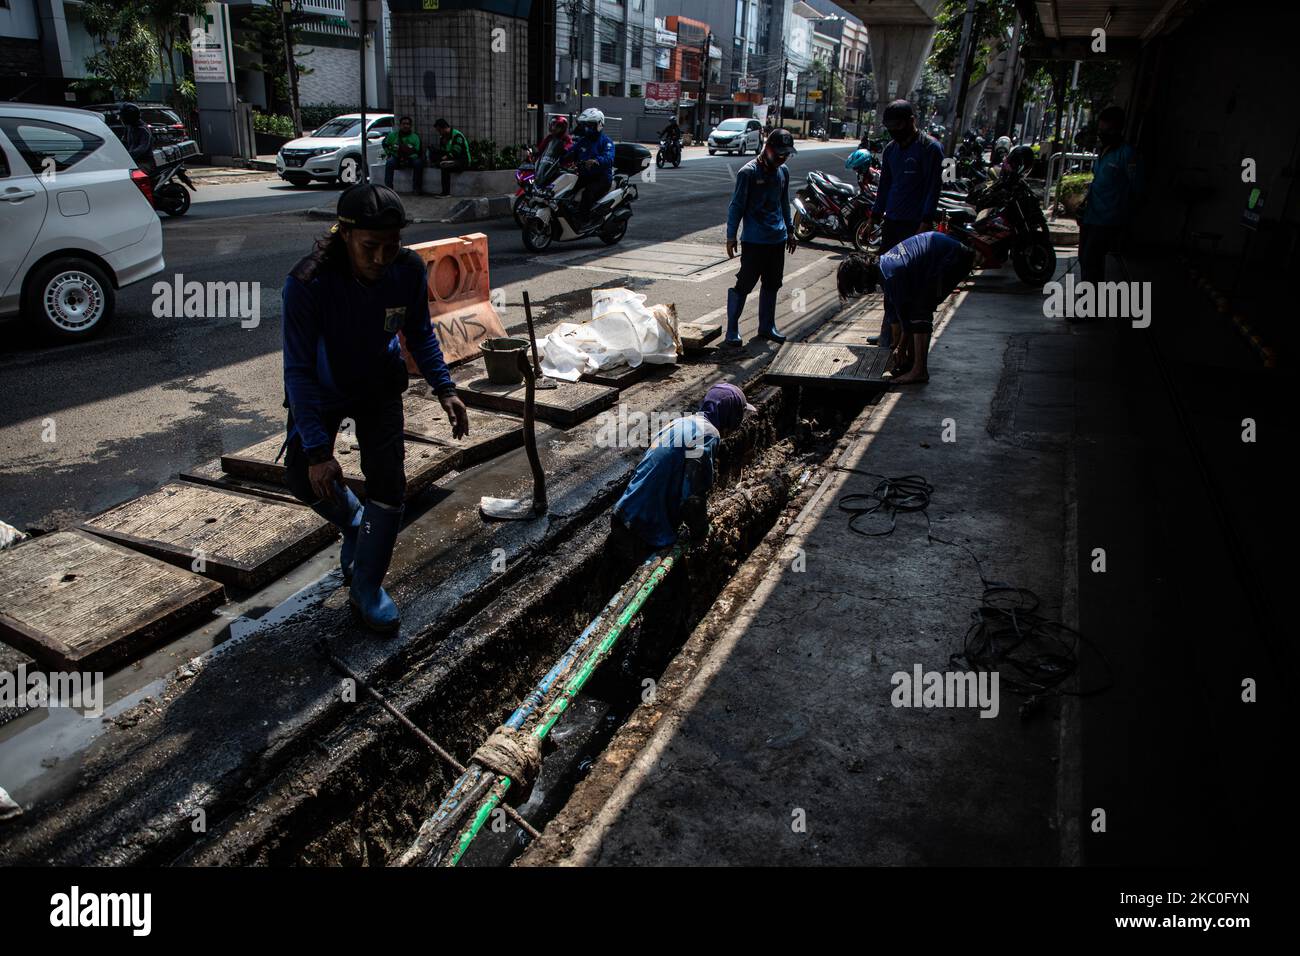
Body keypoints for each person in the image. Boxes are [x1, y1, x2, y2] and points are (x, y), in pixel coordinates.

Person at [281, 184, 470, 633]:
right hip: (323, 391)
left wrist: (445, 388)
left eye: (392, 245)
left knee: (389, 485)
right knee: (300, 479)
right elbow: (298, 370)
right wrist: (318, 454)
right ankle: (354, 522)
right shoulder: (308, 283)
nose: (382, 257)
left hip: (379, 387)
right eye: (370, 246)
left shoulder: (406, 270)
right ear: (344, 234)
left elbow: (419, 333)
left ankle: (367, 586)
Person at [610, 382, 756, 558]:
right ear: (731, 416)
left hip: (624, 513)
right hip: (645, 528)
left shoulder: (680, 422)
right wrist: (702, 532)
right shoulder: (707, 435)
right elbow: (693, 497)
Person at [836, 231, 975, 386]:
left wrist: (901, 348)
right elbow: (894, 318)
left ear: (861, 276)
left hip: (955, 257)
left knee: (920, 311)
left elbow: (906, 324)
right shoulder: (883, 267)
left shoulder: (892, 276)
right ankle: (910, 363)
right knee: (914, 310)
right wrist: (896, 347)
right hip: (943, 252)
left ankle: (919, 371)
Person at [861, 99, 944, 349]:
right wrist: (873, 219)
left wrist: (925, 222)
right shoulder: (890, 150)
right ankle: (889, 332)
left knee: (912, 286)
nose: (895, 132)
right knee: (889, 281)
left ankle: (907, 339)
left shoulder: (930, 149)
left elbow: (933, 188)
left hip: (915, 228)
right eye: (890, 128)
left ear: (911, 122)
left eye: (898, 126)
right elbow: (884, 187)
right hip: (892, 224)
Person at [723, 127, 798, 347]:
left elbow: (784, 202)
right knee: (744, 284)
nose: (782, 158)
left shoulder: (782, 172)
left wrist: (791, 230)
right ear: (767, 148)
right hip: (754, 241)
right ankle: (732, 329)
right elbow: (736, 206)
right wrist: (731, 235)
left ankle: (767, 326)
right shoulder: (748, 173)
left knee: (772, 284)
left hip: (777, 239)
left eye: (786, 155)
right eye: (779, 154)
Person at [1077, 105, 1142, 288]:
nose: (1103, 134)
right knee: (1085, 259)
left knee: (1092, 261)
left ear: (1118, 129)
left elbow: (1136, 188)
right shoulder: (1104, 151)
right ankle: (1087, 306)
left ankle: (1090, 310)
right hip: (1091, 214)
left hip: (1108, 219)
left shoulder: (1127, 155)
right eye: (1101, 130)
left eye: (1108, 130)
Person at [562, 108, 615, 228]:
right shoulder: (583, 141)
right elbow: (571, 153)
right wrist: (559, 156)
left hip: (601, 178)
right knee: (567, 190)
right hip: (584, 175)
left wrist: (596, 161)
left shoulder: (606, 142)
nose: (586, 128)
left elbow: (609, 158)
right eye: (585, 125)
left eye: (590, 125)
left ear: (599, 125)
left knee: (588, 193)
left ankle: (584, 221)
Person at [382, 115, 425, 195]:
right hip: (396, 158)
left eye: (408, 124)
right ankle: (389, 190)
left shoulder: (415, 137)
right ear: (400, 125)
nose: (405, 126)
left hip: (410, 159)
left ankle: (417, 188)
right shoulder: (393, 135)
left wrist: (408, 153)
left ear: (410, 126)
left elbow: (418, 151)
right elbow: (385, 144)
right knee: (389, 163)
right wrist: (389, 153)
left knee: (418, 163)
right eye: (403, 124)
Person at [430, 118, 472, 197]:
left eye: (439, 130)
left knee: (444, 166)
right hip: (452, 160)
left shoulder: (457, 136)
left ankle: (446, 193)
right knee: (435, 154)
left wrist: (443, 159)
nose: (439, 133)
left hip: (462, 161)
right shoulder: (443, 137)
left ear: (444, 128)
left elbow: (455, 152)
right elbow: (444, 151)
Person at [119, 102, 153, 168]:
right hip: (132, 160)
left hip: (144, 162)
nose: (121, 119)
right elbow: (124, 141)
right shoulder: (129, 127)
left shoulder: (143, 130)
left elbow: (142, 148)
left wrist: (128, 155)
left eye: (123, 117)